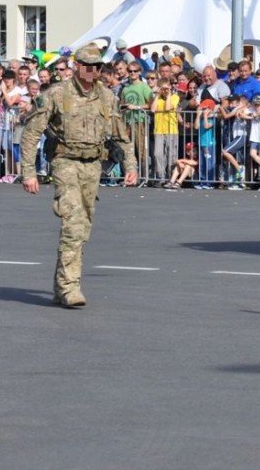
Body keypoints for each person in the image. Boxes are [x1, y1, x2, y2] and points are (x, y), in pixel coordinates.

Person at [20, 44, 137, 308]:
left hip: (93, 165)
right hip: (65, 162)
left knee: (83, 227)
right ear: (76, 66)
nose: (93, 71)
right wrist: (28, 172)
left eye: (97, 66)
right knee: (72, 224)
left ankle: (61, 285)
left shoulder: (106, 96)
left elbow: (121, 134)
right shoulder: (57, 94)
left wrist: (131, 165)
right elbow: (31, 133)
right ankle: (70, 286)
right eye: (88, 65)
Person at [151, 78, 179, 183]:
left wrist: (168, 94)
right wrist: (158, 95)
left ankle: (171, 177)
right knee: (157, 154)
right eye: (162, 88)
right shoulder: (157, 98)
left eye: (166, 88)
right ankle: (161, 176)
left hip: (171, 129)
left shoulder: (175, 97)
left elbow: (168, 107)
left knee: (171, 154)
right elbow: (153, 109)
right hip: (159, 130)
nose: (164, 90)